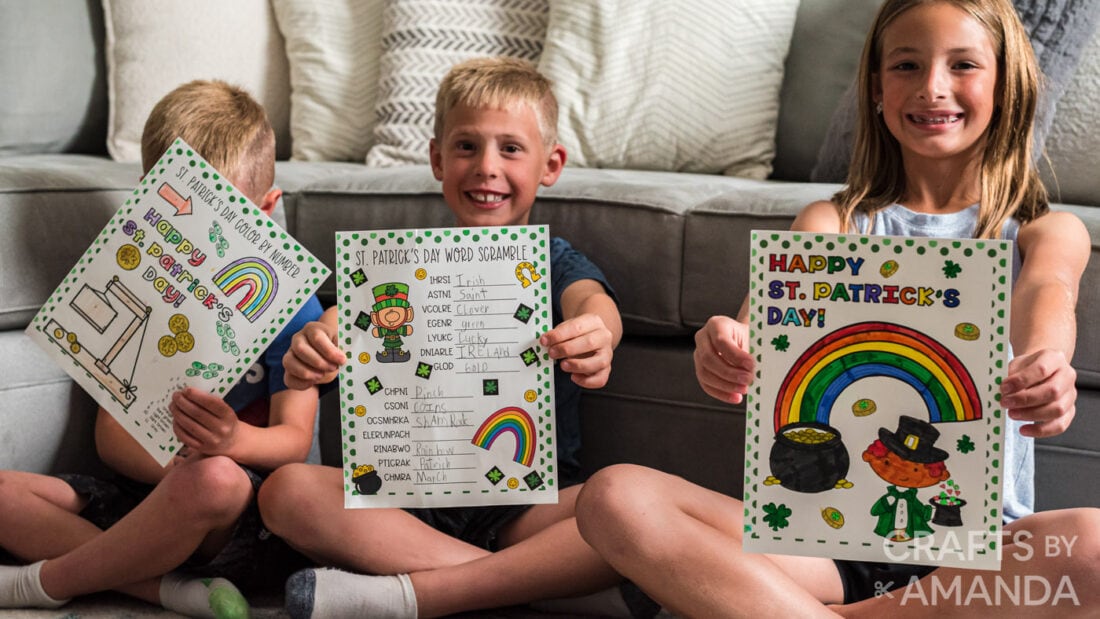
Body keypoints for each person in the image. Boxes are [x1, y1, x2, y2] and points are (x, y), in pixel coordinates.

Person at [573, 0, 1099, 616]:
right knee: (613, 497)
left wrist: (1046, 364)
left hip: (977, 553)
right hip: (824, 548)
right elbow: (757, 328)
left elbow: (1048, 295)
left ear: (1006, 87)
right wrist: (726, 347)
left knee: (1091, 545)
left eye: (963, 65)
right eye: (906, 65)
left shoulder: (1044, 230)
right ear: (876, 88)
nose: (933, 87)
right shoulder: (834, 221)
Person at [257, 57, 634, 619]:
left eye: (511, 148)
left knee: (624, 506)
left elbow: (594, 304)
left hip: (528, 507)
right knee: (285, 493)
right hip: (403, 505)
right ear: (436, 158)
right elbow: (333, 329)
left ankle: (419, 591)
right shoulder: (394, 265)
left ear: (550, 164)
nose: (486, 167)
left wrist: (598, 334)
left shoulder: (554, 263)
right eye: (465, 147)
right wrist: (312, 348)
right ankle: (522, 587)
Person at [0, 79, 325, 618]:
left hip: (239, 517)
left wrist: (230, 440)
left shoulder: (291, 309)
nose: (201, 246)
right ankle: (164, 590)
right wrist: (173, 474)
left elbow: (293, 442)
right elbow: (111, 440)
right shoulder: (138, 284)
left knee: (214, 480)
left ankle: (46, 581)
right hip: (145, 497)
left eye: (225, 224)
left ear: (268, 211)